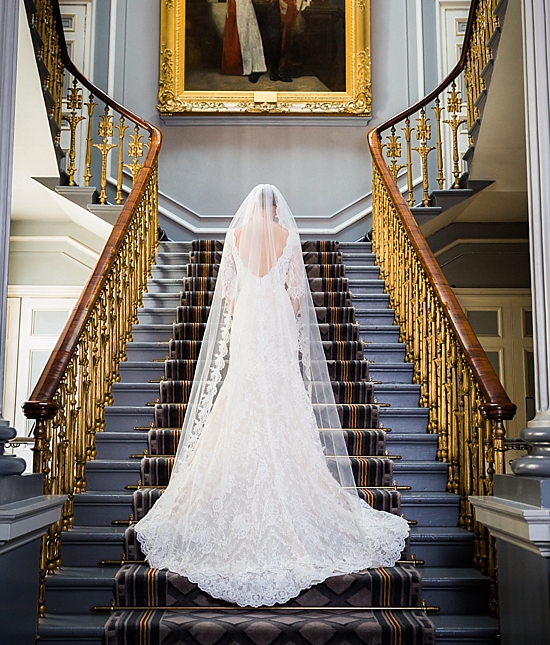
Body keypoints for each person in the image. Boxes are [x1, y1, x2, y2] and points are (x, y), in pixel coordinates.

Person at [135, 184, 409, 608]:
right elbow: (297, 297)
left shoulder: (236, 236)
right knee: (280, 391)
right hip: (276, 319)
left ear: (251, 208)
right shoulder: (287, 237)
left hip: (247, 317)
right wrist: (280, 311)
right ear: (277, 207)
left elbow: (227, 294)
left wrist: (250, 301)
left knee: (241, 387)